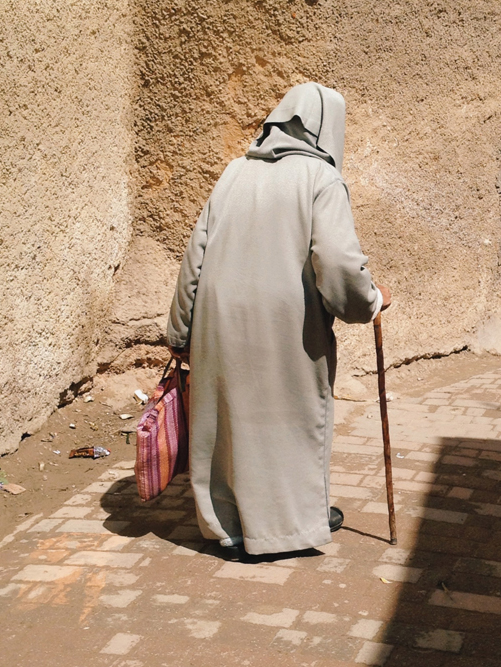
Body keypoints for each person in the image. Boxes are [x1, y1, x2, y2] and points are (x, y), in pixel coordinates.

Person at [166, 82, 390, 557]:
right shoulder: (321, 179)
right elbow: (339, 265)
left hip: (218, 318)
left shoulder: (233, 174)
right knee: (289, 420)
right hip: (284, 323)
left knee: (226, 425)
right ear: (328, 128)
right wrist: (369, 300)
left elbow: (195, 258)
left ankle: (228, 527)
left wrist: (181, 331)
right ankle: (288, 526)